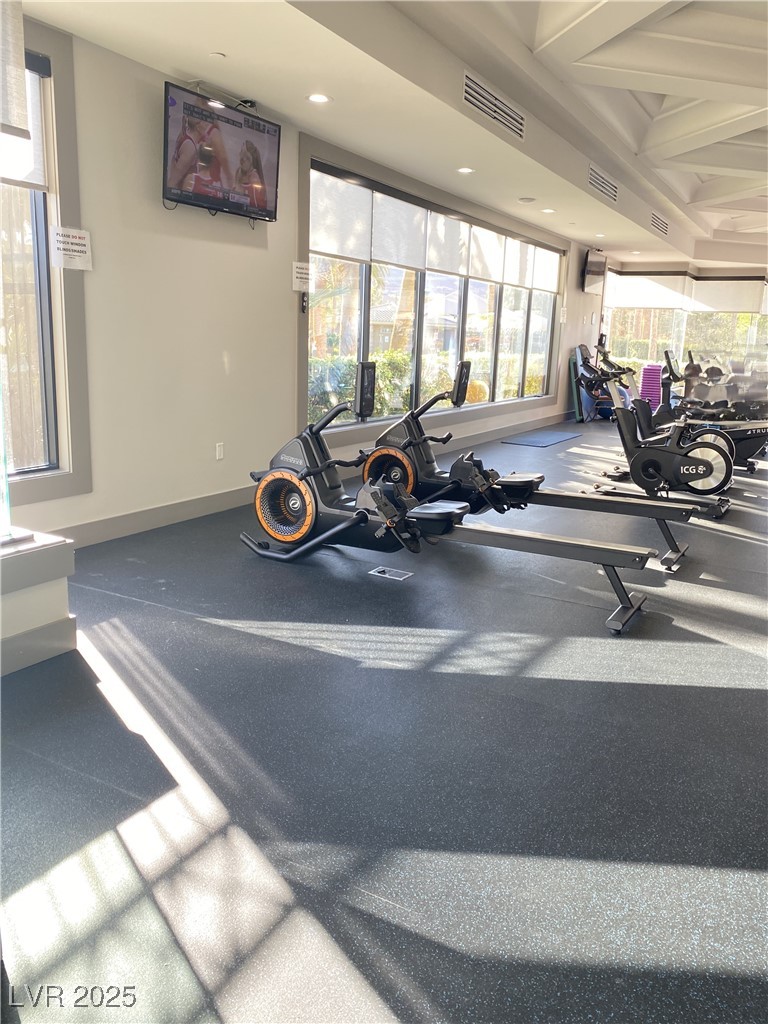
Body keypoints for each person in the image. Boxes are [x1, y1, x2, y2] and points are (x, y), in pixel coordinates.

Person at [233, 140, 267, 210]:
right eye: (241, 154)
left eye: (246, 157)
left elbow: (257, 205)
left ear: (252, 161)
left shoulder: (254, 177)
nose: (242, 160)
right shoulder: (238, 172)